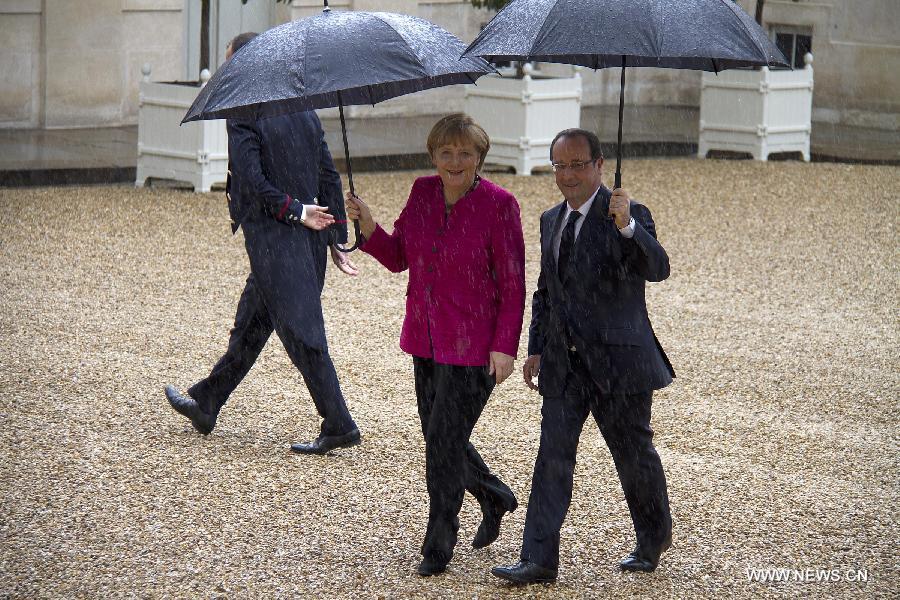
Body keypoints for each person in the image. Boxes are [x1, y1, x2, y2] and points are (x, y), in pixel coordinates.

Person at [492, 128, 676, 584]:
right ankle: (538, 559)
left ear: (599, 165)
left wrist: (628, 226)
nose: (568, 174)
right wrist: (535, 346)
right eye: (560, 165)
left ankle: (653, 537)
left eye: (578, 164)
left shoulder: (628, 215)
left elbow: (658, 269)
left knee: (632, 454)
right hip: (564, 364)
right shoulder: (551, 219)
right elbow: (545, 290)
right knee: (552, 456)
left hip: (619, 362)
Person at [164, 32, 361, 456]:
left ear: (249, 63)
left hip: (278, 239)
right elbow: (328, 175)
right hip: (301, 240)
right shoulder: (301, 103)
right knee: (251, 324)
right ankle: (206, 402)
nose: (227, 71)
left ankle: (339, 422)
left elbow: (254, 183)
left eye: (230, 62)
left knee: (302, 332)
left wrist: (298, 213)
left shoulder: (244, 111)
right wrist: (336, 236)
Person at [345, 113, 525, 576]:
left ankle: (438, 541)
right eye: (445, 153)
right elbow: (398, 256)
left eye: (465, 153)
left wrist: (505, 345)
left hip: (475, 348)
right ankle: (493, 495)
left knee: (443, 444)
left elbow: (513, 283)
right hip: (425, 340)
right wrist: (367, 224)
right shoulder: (423, 192)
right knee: (441, 438)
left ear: (480, 158)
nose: (454, 161)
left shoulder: (499, 205)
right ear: (433, 156)